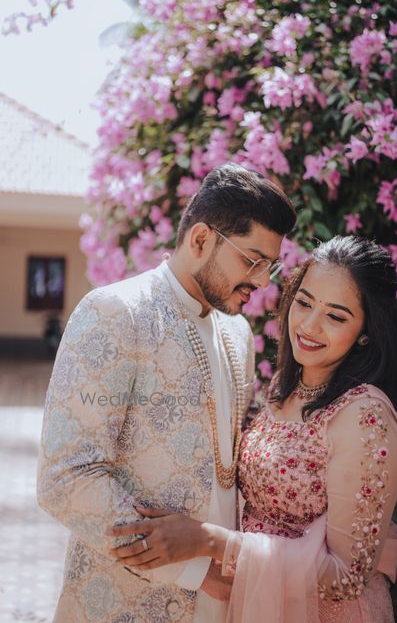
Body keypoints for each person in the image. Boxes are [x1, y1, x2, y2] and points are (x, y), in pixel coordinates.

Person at [110, 235, 397, 622]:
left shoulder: (365, 416)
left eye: (336, 317)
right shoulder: (283, 390)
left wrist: (208, 541)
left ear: (366, 331)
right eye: (304, 303)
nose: (309, 325)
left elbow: (345, 577)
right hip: (257, 602)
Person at [36, 162, 297, 623]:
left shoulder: (237, 333)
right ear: (201, 240)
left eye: (269, 267)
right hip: (125, 603)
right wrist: (195, 569)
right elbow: (66, 477)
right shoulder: (116, 313)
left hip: (223, 603)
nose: (261, 282)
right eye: (252, 261)